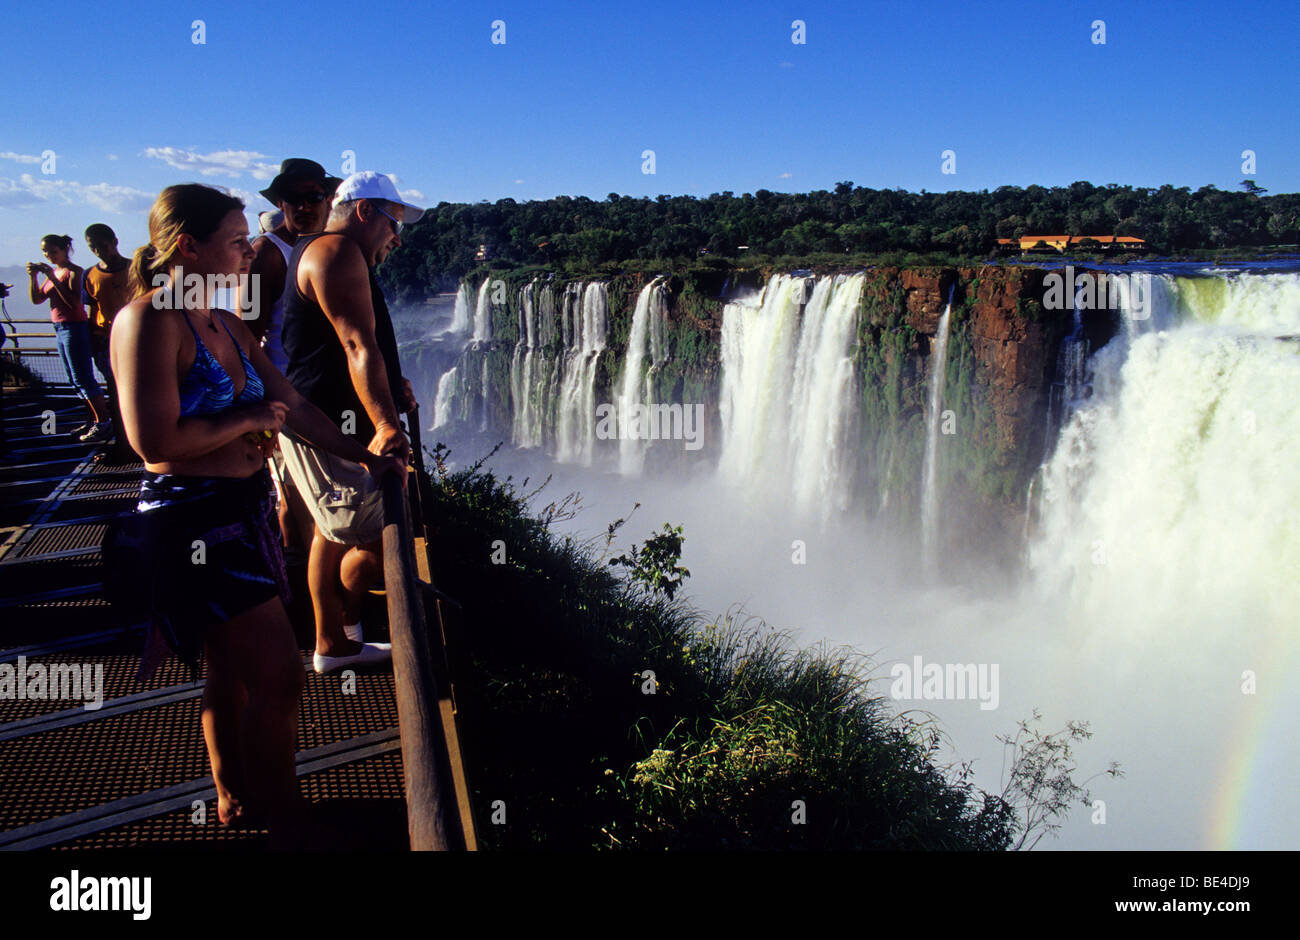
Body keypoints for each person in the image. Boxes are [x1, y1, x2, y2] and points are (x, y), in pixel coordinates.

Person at [108, 183, 403, 836]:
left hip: (244, 511)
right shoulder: (150, 320)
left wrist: (366, 452)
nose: (250, 252)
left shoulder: (224, 318)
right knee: (279, 678)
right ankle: (285, 823)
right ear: (189, 247)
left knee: (231, 672)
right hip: (192, 525)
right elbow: (154, 445)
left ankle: (236, 797)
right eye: (238, 241)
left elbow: (293, 409)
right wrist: (246, 418)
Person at [279, 171, 420, 674]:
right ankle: (341, 638)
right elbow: (356, 345)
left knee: (329, 535)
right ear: (365, 212)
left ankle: (336, 641)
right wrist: (386, 425)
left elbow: (360, 346)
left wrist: (394, 387)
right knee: (383, 537)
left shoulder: (327, 251)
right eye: (393, 221)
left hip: (321, 424)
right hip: (330, 431)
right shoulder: (336, 253)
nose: (396, 236)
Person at [244, 159, 339, 556]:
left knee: (325, 495)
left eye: (313, 196)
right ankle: (299, 584)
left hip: (324, 395)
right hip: (286, 396)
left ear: (327, 198)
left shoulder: (328, 245)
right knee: (297, 498)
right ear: (280, 203)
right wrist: (261, 404)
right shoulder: (266, 252)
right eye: (293, 198)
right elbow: (246, 334)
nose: (304, 206)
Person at [27, 235, 111, 441]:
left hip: (75, 327)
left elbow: (74, 303)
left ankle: (103, 422)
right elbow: (37, 299)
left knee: (83, 378)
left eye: (53, 251)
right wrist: (34, 277)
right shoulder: (54, 272)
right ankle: (92, 420)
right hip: (60, 328)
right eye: (45, 252)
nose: (48, 255)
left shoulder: (75, 272)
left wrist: (53, 278)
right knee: (74, 379)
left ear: (65, 250)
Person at [82, 224, 136, 460]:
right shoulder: (90, 275)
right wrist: (93, 337)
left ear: (114, 241)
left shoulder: (135, 268)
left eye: (102, 245)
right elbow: (92, 308)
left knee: (138, 393)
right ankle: (124, 444)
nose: (99, 251)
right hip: (107, 340)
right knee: (116, 394)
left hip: (135, 338)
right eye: (93, 247)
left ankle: (137, 444)